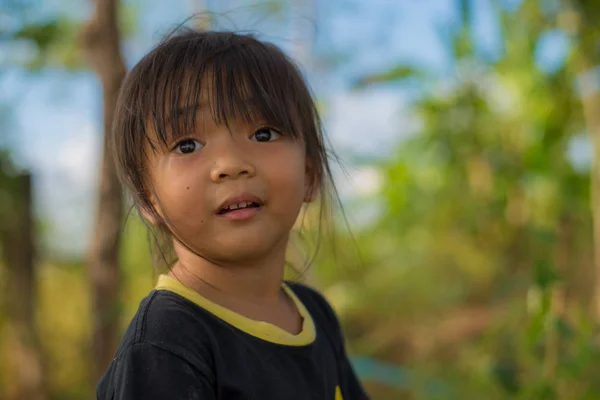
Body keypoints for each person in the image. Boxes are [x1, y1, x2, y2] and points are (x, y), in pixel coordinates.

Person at [96, 27, 369, 400]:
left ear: (309, 175)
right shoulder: (167, 342)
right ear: (148, 199)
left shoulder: (315, 314)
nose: (230, 164)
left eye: (263, 134)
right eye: (187, 144)